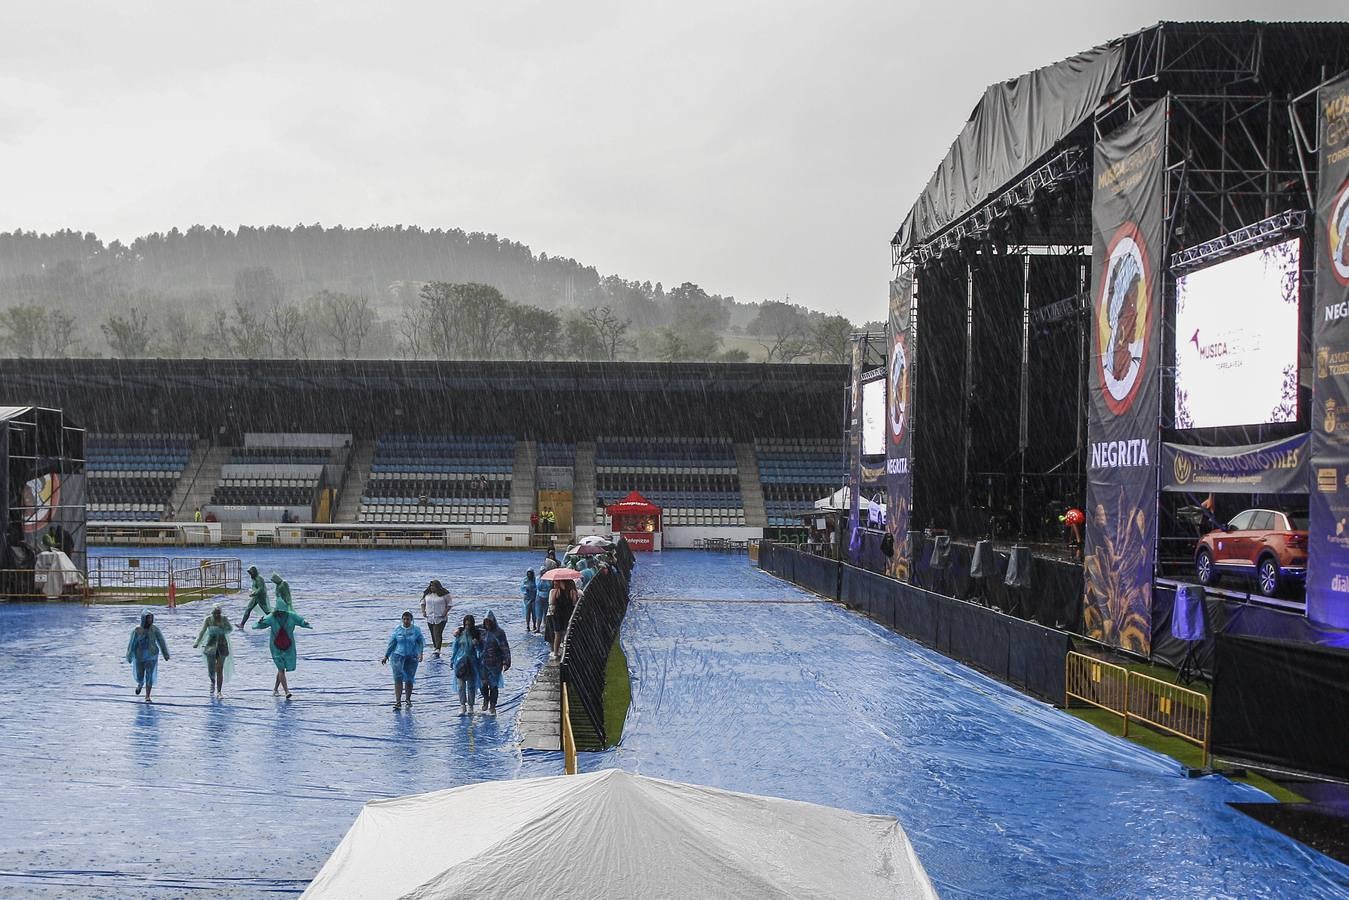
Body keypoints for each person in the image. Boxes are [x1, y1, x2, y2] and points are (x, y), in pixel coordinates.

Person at [254, 604, 312, 699]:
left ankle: (275, 689)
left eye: (282, 611)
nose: (281, 613)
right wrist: (260, 622)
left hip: (288, 646)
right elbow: (261, 624)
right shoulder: (272, 617)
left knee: (281, 669)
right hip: (275, 647)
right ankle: (286, 691)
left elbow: (300, 620)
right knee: (280, 668)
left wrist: (304, 622)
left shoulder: (291, 616)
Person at [382, 611, 425, 710]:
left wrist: (420, 653)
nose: (406, 621)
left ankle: (408, 699)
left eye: (408, 619)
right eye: (404, 619)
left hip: (411, 657)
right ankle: (398, 701)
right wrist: (386, 655)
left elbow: (420, 643)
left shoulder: (416, 630)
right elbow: (392, 643)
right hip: (398, 656)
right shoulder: (398, 630)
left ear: (411, 620)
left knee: (409, 679)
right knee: (398, 678)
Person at [125, 609, 170, 703]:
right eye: (148, 618)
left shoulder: (154, 629)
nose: (150, 620)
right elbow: (132, 644)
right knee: (140, 675)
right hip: (139, 656)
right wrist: (129, 655)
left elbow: (161, 641)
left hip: (151, 656)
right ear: (143, 619)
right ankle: (140, 684)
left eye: (151, 618)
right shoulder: (137, 630)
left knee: (149, 675)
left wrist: (165, 653)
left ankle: (147, 696)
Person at [193, 603, 234, 697]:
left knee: (219, 669)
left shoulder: (224, 619)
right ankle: (212, 681)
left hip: (222, 645)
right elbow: (202, 631)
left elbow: (230, 629)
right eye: (215, 613)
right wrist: (197, 642)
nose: (216, 615)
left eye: (218, 613)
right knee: (211, 669)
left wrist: (223, 628)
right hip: (210, 645)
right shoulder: (208, 619)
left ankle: (219, 691)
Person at [476, 610, 511, 715]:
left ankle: (492, 706)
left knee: (493, 685)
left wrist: (506, 662)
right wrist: (459, 630)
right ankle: (486, 698)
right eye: (486, 622)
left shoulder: (499, 633)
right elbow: (467, 627)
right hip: (482, 662)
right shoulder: (480, 630)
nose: (487, 624)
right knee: (483, 684)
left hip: (495, 663)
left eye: (489, 622)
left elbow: (505, 648)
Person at [449, 613, 482, 716]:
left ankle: (471, 705)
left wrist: (477, 645)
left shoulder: (476, 634)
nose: (467, 627)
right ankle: (462, 705)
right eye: (466, 624)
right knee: (461, 685)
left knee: (471, 686)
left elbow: (480, 649)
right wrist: (452, 659)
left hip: (472, 662)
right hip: (460, 661)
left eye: (469, 625)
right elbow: (455, 647)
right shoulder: (460, 633)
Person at [548, 578, 578, 660]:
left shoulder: (556, 591)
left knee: (557, 634)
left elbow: (552, 603)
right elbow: (574, 603)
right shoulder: (572, 591)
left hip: (558, 615)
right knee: (566, 633)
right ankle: (565, 652)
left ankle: (555, 653)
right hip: (567, 614)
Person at [420, 579, 452, 657]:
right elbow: (422, 603)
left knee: (437, 632)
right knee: (433, 633)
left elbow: (449, 604)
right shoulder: (427, 594)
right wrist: (423, 611)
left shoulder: (445, 595)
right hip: (430, 617)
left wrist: (445, 612)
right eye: (431, 586)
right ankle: (435, 646)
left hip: (440, 617)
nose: (432, 587)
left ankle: (438, 648)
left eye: (433, 586)